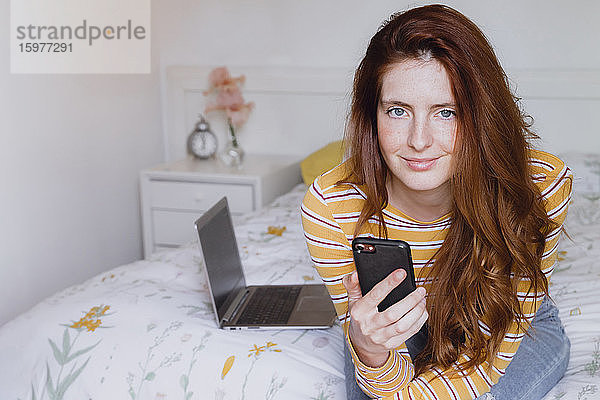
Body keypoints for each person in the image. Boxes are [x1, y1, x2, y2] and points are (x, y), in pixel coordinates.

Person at [301, 4, 572, 400]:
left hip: (508, 325)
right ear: (371, 116)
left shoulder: (538, 187)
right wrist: (371, 350)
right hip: (395, 330)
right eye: (397, 111)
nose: (418, 140)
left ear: (480, 116)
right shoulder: (330, 207)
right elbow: (383, 382)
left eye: (446, 112)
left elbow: (488, 358)